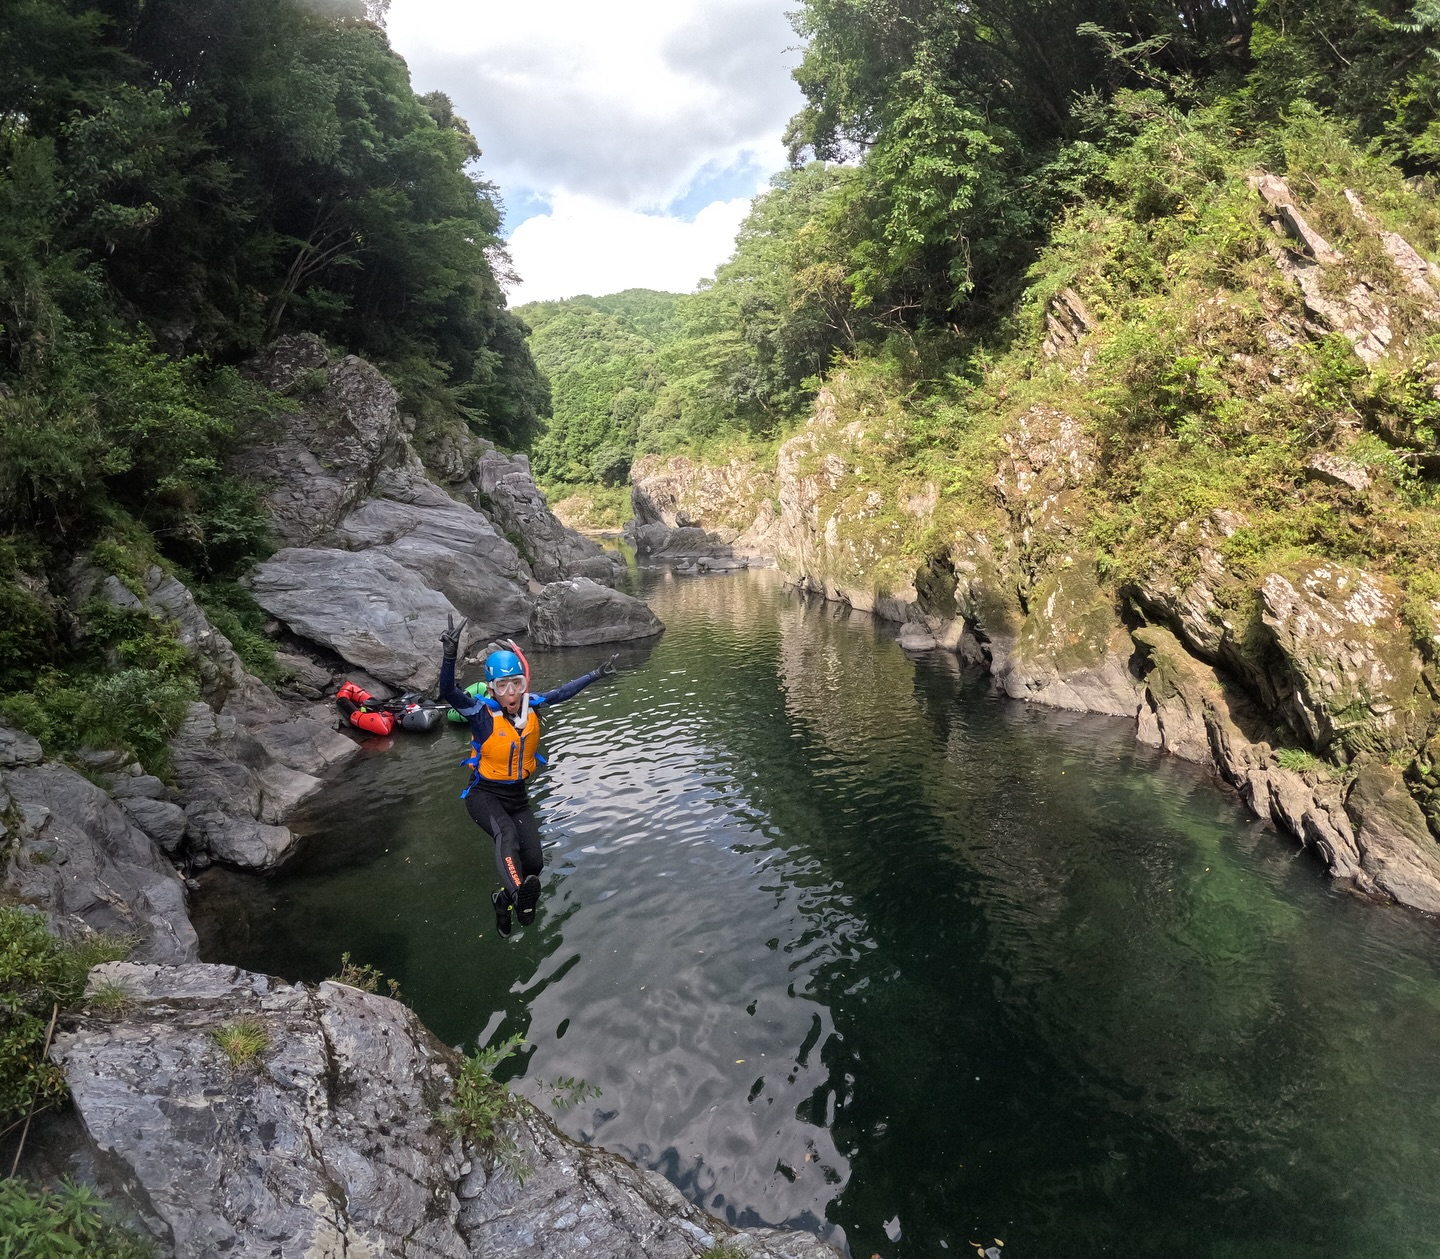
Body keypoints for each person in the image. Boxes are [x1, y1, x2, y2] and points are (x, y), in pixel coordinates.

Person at [438, 616, 617, 938]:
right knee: (506, 838)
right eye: (503, 686)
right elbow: (448, 690)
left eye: (517, 684)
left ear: (524, 685)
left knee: (534, 863)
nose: (511, 693)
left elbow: (563, 693)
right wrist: (450, 655)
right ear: (492, 689)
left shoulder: (532, 706)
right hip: (485, 795)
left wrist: (595, 674)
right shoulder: (481, 716)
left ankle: (503, 901)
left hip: (518, 796)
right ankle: (520, 899)